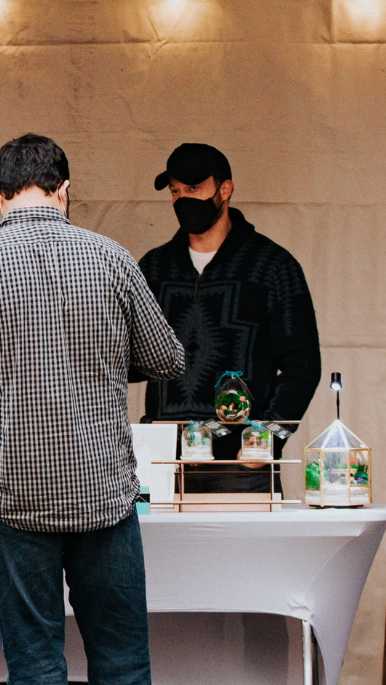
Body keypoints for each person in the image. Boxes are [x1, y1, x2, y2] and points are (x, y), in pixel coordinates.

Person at [0, 134, 185, 685]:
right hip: (104, 494)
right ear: (65, 191)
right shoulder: (112, 257)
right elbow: (167, 358)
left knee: (38, 673)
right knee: (121, 670)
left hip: (11, 497)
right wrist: (101, 354)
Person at [137, 143, 320, 492]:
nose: (182, 199)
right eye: (175, 191)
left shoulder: (273, 267)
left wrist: (267, 437)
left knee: (247, 550)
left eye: (194, 188)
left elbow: (303, 364)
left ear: (225, 189)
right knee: (162, 550)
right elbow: (130, 360)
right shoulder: (153, 267)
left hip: (241, 466)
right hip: (163, 462)